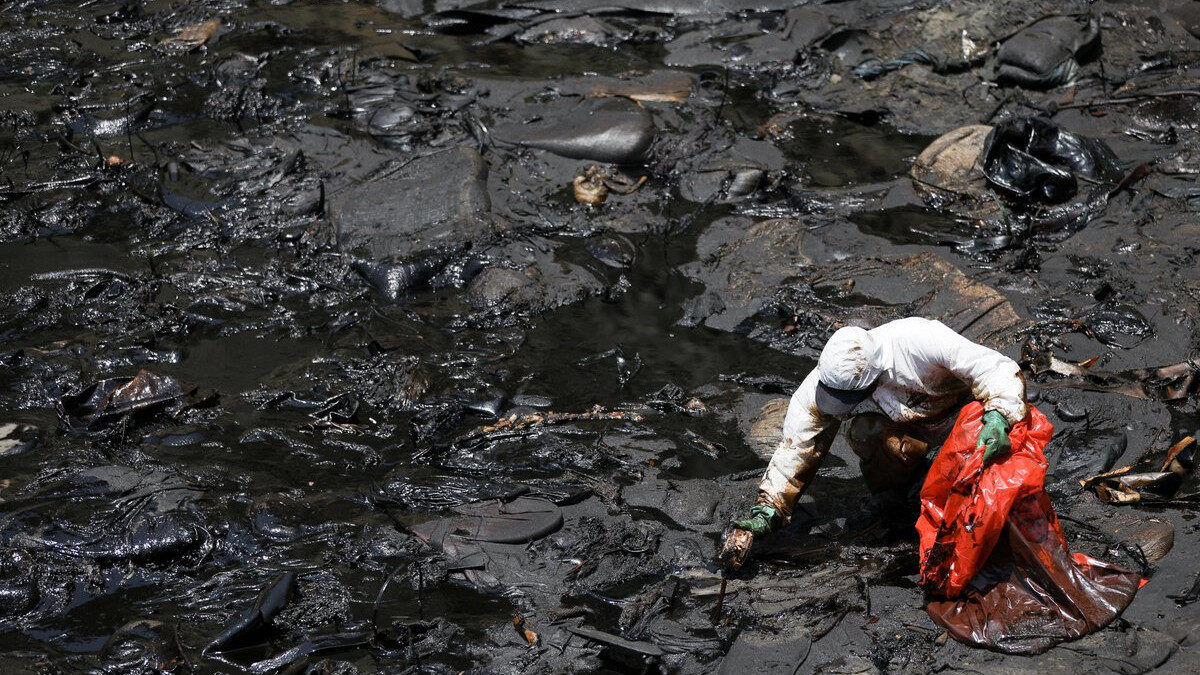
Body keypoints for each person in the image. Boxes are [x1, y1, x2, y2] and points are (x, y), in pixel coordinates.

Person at [720, 317, 1027, 567]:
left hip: (966, 421)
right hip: (915, 428)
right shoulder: (824, 380)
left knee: (984, 482)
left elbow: (995, 368)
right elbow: (797, 444)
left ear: (873, 374)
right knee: (863, 431)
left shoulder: (922, 340)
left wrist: (999, 415)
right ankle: (901, 500)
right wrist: (770, 506)